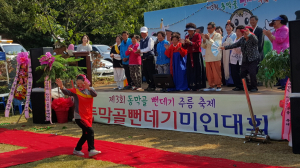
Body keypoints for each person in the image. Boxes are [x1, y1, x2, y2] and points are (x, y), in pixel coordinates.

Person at [56, 75, 101, 157]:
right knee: (90, 131)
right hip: (79, 116)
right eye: (78, 83)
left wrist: (89, 88)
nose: (79, 85)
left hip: (88, 116)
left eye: (81, 83)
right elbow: (67, 92)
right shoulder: (76, 91)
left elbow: (95, 95)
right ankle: (91, 150)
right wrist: (61, 86)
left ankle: (77, 149)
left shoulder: (90, 90)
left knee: (86, 134)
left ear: (85, 82)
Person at [220, 26, 260, 92]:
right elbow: (234, 45)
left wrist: (249, 34)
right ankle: (247, 86)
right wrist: (224, 47)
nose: (244, 35)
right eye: (243, 34)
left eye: (245, 34)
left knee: (252, 73)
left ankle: (254, 87)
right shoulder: (242, 39)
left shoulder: (252, 37)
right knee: (243, 74)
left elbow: (256, 41)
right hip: (245, 59)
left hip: (253, 59)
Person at [263, 15, 289, 90]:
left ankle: (285, 84)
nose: (275, 22)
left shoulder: (284, 29)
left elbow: (280, 40)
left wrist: (270, 34)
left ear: (280, 21)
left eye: (276, 21)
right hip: (277, 51)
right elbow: (273, 41)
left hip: (283, 51)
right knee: (278, 68)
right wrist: (268, 35)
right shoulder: (276, 30)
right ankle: (281, 83)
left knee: (283, 68)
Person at [182, 23, 206, 91]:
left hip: (196, 54)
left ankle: (198, 85)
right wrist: (183, 44)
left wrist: (190, 42)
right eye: (188, 30)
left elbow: (198, 44)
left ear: (194, 30)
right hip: (190, 54)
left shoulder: (198, 35)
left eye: (190, 30)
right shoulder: (187, 37)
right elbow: (186, 47)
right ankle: (191, 85)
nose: (189, 32)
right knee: (190, 70)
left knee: (198, 69)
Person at [201, 22, 223, 91]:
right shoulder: (207, 35)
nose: (208, 29)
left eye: (210, 28)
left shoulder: (217, 35)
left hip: (215, 57)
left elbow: (216, 45)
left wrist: (208, 39)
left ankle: (218, 86)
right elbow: (204, 46)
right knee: (209, 73)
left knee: (216, 72)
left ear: (214, 28)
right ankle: (211, 86)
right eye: (207, 28)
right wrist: (204, 40)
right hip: (208, 57)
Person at [136, 26, 156, 91]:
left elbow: (149, 48)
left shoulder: (150, 39)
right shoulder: (141, 41)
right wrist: (138, 50)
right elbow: (138, 48)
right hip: (144, 58)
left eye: (144, 33)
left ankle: (153, 85)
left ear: (147, 33)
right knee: (146, 72)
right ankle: (149, 85)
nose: (143, 34)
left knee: (151, 72)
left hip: (150, 58)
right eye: (142, 33)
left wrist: (141, 51)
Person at [229, 25, 244, 91]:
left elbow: (240, 49)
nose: (237, 33)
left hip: (239, 58)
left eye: (239, 31)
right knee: (234, 73)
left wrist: (232, 46)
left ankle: (240, 86)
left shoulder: (243, 39)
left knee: (238, 73)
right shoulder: (236, 38)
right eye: (237, 31)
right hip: (233, 58)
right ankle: (237, 85)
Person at [222, 21, 236, 86]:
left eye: (229, 27)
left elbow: (235, 43)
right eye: (227, 27)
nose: (228, 28)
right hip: (225, 53)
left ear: (232, 28)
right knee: (226, 66)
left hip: (232, 52)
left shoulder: (234, 35)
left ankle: (233, 81)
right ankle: (227, 81)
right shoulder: (224, 37)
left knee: (232, 66)